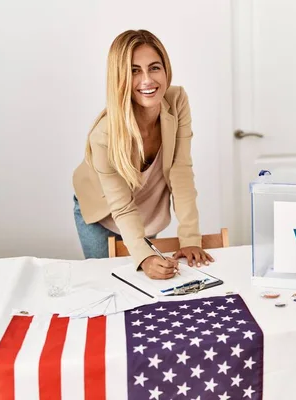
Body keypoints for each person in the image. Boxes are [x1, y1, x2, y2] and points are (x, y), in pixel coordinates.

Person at [72, 29, 214, 279]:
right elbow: (122, 206)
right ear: (120, 77)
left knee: (151, 281)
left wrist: (190, 238)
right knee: (110, 279)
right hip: (103, 209)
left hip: (148, 205)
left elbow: (181, 171)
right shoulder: (103, 135)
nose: (147, 80)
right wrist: (144, 256)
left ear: (166, 69)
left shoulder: (177, 100)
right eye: (134, 70)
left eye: (154, 67)